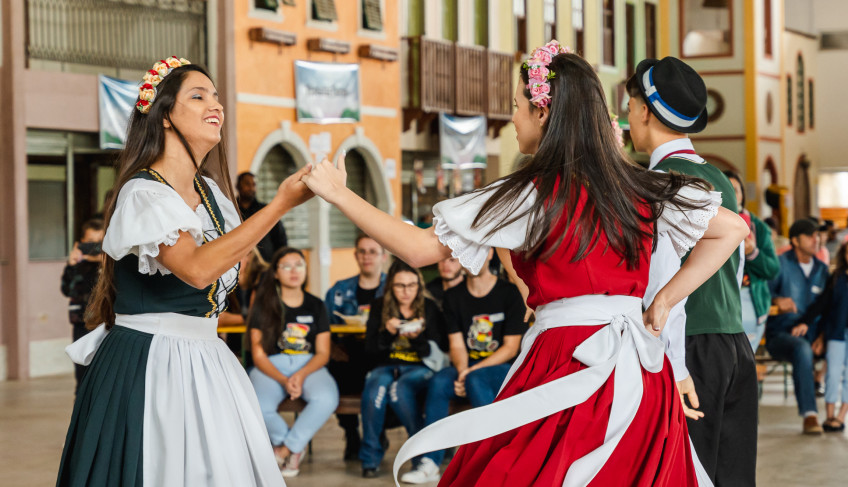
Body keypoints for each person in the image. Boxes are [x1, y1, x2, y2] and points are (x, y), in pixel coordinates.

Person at [301, 41, 747, 486]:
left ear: (542, 113)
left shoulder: (529, 193)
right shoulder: (637, 184)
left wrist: (340, 193)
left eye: (516, 106)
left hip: (566, 358)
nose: (511, 118)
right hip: (639, 367)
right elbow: (730, 231)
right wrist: (664, 301)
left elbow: (419, 250)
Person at [57, 58, 313, 487]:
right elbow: (196, 269)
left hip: (206, 357)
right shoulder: (143, 192)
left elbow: (229, 262)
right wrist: (280, 204)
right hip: (150, 360)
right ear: (165, 116)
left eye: (216, 96)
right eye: (198, 96)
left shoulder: (213, 194)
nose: (215, 105)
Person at [626, 56, 759, 485]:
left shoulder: (660, 179)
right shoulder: (716, 174)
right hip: (734, 341)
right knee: (733, 473)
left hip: (688, 344)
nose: (627, 118)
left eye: (629, 107)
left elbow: (656, 273)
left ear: (645, 110)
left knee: (686, 471)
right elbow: (731, 257)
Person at [402, 249, 525, 484]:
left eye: (477, 252)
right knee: (439, 381)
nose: (471, 258)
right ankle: (430, 462)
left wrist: (470, 373)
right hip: (467, 366)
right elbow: (457, 345)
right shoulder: (453, 297)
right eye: (465, 253)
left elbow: (510, 348)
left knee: (475, 380)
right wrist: (461, 371)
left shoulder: (509, 294)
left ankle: (495, 456)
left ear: (490, 254)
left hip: (502, 368)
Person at [248, 247, 339, 477]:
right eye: (286, 266)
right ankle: (291, 448)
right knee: (255, 403)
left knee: (327, 397)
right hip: (271, 366)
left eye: (299, 264)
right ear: (276, 273)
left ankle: (285, 450)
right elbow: (258, 354)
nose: (294, 271)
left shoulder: (317, 305)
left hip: (309, 365)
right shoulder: (263, 304)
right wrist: (284, 379)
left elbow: (323, 353)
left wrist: (299, 375)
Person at [359, 260, 446, 478]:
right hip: (386, 366)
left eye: (411, 285)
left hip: (419, 367)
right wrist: (388, 333)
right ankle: (370, 458)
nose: (406, 291)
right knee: (374, 390)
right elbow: (369, 351)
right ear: (390, 286)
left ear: (419, 285)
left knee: (399, 391)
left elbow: (438, 352)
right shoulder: (380, 306)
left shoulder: (429, 307)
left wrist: (417, 339)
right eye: (400, 285)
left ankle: (421, 457)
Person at [324, 233, 387, 459]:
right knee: (335, 375)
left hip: (382, 354)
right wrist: (331, 348)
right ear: (356, 255)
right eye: (362, 251)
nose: (367, 256)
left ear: (383, 257)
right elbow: (322, 325)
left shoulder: (393, 288)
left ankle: (377, 432)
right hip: (347, 353)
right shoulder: (340, 290)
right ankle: (351, 434)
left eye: (372, 251)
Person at [766, 218, 830, 434]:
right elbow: (762, 295)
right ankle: (810, 415)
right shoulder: (780, 265)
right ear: (794, 240)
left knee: (841, 341)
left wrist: (823, 336)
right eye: (810, 235)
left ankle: (835, 415)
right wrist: (775, 301)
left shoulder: (822, 270)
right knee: (801, 348)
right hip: (781, 336)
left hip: (815, 336)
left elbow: (829, 308)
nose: (816, 239)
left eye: (818, 235)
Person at [724, 171, 781, 351]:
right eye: (725, 189)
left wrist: (752, 253)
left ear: (742, 195)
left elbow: (772, 269)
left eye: (735, 190)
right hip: (721, 299)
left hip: (749, 296)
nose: (731, 195)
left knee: (745, 362)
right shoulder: (706, 223)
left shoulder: (759, 228)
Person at [796, 242, 848, 432]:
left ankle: (841, 416)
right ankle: (830, 416)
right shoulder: (837, 278)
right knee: (832, 374)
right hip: (835, 332)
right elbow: (823, 305)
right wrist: (806, 322)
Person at [60, 218, 105, 393]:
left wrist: (105, 260)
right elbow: (67, 290)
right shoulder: (78, 267)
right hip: (82, 324)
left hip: (106, 324)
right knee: (83, 375)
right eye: (90, 243)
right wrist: (73, 265)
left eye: (99, 243)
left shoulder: (110, 265)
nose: (95, 247)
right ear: (80, 243)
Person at [237, 171, 289, 261]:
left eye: (254, 184)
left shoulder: (266, 210)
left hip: (266, 266)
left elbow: (280, 239)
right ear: (238, 186)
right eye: (247, 184)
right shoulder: (231, 210)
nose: (251, 188)